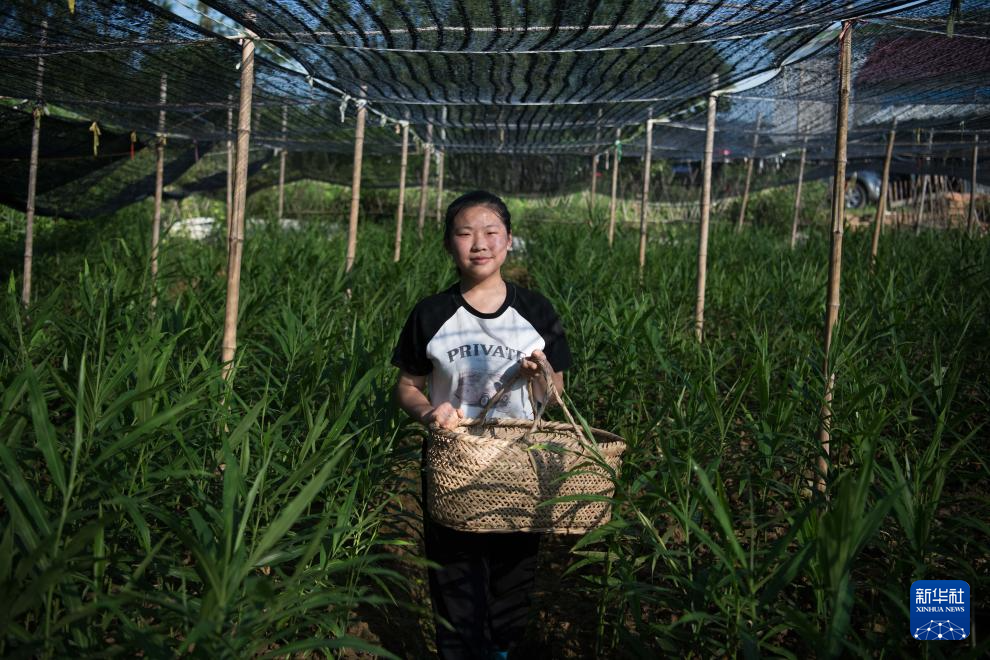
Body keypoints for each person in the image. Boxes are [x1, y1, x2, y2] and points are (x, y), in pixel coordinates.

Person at [392, 190, 572, 659]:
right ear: (449, 244)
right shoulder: (430, 313)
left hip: (518, 466)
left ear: (509, 241)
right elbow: (407, 386)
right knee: (454, 581)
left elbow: (557, 395)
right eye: (465, 232)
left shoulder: (536, 312)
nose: (479, 243)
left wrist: (542, 377)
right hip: (454, 463)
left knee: (514, 578)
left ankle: (502, 651)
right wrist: (429, 411)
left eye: (491, 232)